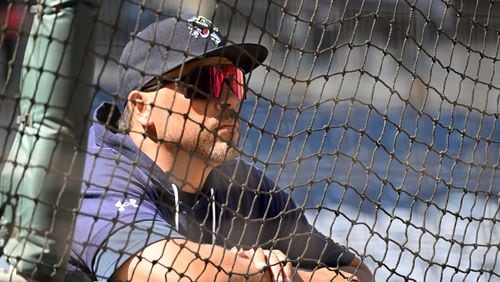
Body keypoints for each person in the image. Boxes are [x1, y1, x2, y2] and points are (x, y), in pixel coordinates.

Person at [68, 15, 373, 281]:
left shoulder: (246, 188)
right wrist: (260, 274)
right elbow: (164, 271)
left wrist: (284, 276)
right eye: (206, 81)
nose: (229, 98)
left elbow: (356, 273)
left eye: (234, 80)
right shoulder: (97, 172)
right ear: (141, 106)